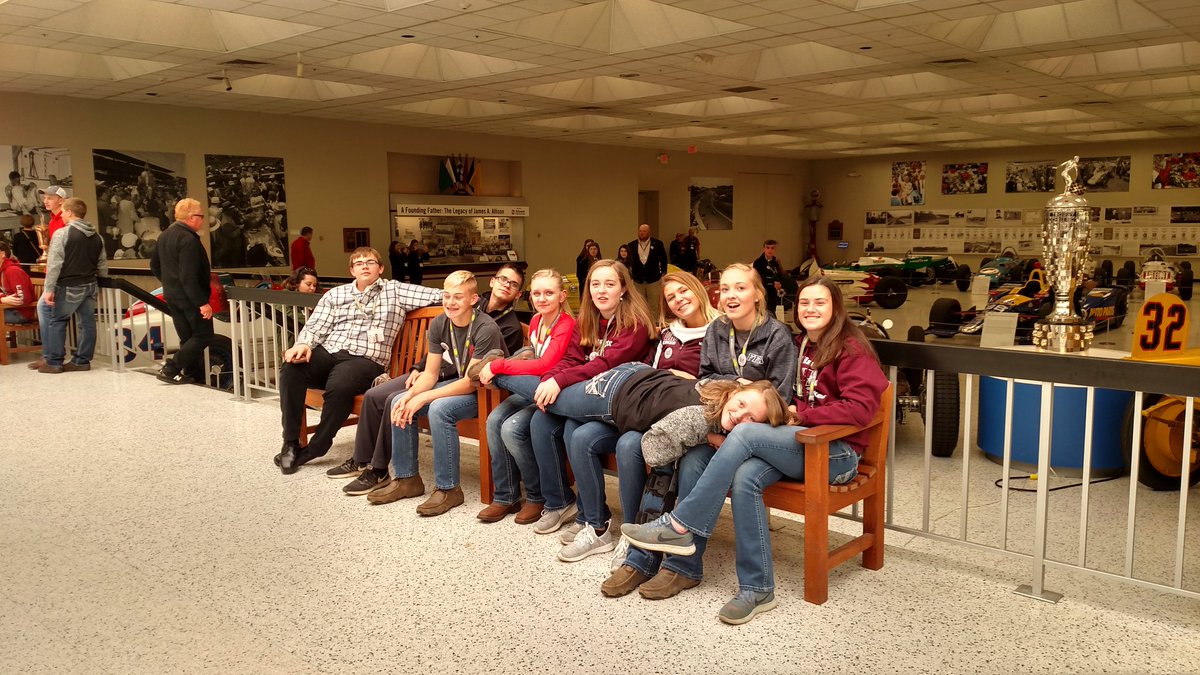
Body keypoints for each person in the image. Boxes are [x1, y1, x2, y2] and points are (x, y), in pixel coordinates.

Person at [622, 276, 888, 625]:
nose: (810, 309)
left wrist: (801, 416)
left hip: (836, 453)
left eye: (820, 302)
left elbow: (861, 409)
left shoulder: (850, 349)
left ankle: (680, 525)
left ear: (836, 307)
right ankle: (752, 586)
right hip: (797, 444)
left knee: (746, 433)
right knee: (732, 470)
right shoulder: (803, 344)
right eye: (804, 303)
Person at [605, 262, 797, 600]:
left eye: (740, 288)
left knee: (692, 460)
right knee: (652, 446)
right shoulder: (718, 330)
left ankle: (683, 567)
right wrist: (736, 386)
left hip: (750, 431)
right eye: (725, 289)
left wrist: (736, 394)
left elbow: (778, 399)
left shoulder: (777, 335)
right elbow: (705, 379)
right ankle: (641, 556)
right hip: (713, 418)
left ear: (758, 294)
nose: (731, 295)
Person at [553, 270, 719, 564]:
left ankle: (632, 533)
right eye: (671, 297)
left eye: (683, 291)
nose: (678, 300)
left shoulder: (718, 331)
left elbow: (718, 382)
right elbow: (647, 370)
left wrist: (683, 379)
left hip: (681, 420)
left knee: (629, 444)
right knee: (580, 435)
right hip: (642, 408)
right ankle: (596, 526)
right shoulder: (668, 333)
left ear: (698, 290)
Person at [492, 260, 653, 536]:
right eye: (595, 284)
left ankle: (593, 518)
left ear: (624, 288)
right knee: (541, 421)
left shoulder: (634, 323)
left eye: (610, 284)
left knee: (574, 431)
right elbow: (571, 359)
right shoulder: (587, 320)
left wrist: (558, 381)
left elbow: (604, 364)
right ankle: (561, 503)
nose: (601, 290)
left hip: (616, 407)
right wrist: (550, 379)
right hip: (582, 396)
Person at [274, 247, 442, 475]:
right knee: (291, 368)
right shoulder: (335, 295)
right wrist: (303, 344)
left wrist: (477, 299)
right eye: (359, 263)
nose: (364, 266)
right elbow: (315, 327)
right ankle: (291, 442)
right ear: (352, 270)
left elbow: (441, 295)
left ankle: (317, 447)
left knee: (340, 384)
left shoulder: (395, 290)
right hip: (330, 351)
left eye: (370, 262)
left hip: (365, 359)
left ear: (380, 268)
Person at [352, 271, 506, 517]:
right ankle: (407, 479)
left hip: (488, 392)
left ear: (473, 299)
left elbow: (470, 383)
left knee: (439, 409)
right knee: (398, 401)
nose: (450, 302)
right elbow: (431, 374)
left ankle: (448, 489)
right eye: (447, 296)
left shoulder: (486, 328)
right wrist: (410, 394)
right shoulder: (439, 323)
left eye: (458, 297)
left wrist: (423, 397)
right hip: (459, 383)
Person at [473, 269, 575, 524]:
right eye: (536, 293)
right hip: (534, 387)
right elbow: (534, 358)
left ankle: (536, 495)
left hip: (556, 390)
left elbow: (545, 365)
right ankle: (506, 495)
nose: (542, 298)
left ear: (562, 296)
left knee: (512, 428)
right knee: (494, 420)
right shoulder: (537, 320)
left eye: (549, 293)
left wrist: (498, 365)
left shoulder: (566, 324)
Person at [37, 198, 106, 374]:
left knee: (58, 321)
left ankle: (54, 363)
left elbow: (54, 264)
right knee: (87, 323)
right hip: (91, 284)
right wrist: (102, 286)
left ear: (69, 212)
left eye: (63, 212)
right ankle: (82, 361)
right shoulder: (97, 236)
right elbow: (102, 264)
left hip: (68, 285)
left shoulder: (62, 234)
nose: (62, 215)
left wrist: (49, 289)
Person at [150, 198, 214, 385]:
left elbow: (154, 265)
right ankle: (171, 368)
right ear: (191, 217)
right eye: (201, 216)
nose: (203, 220)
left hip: (172, 296)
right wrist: (202, 302)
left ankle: (194, 375)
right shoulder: (188, 240)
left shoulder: (165, 235)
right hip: (190, 297)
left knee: (187, 338)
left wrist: (169, 282)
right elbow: (189, 276)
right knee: (203, 335)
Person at [627, 223, 668, 310]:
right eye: (640, 231)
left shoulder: (658, 244)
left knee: (654, 305)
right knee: (639, 306)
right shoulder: (631, 245)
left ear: (649, 232)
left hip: (653, 280)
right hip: (638, 281)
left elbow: (664, 260)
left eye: (644, 231)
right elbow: (629, 262)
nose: (642, 233)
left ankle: (654, 319)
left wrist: (663, 274)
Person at [753, 239, 797, 317]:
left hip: (773, 293)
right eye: (768, 248)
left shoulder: (775, 262)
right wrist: (772, 283)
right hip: (763, 292)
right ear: (764, 249)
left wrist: (779, 284)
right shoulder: (758, 262)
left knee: (772, 311)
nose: (770, 250)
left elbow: (779, 276)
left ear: (775, 249)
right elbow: (757, 279)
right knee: (764, 312)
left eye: (772, 248)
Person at [0, 241, 36, 324]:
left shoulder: (13, 271)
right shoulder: (2, 271)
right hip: (8, 309)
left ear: (2, 254)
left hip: (19, 313)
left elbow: (22, 298)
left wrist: (3, 299)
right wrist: (3, 299)